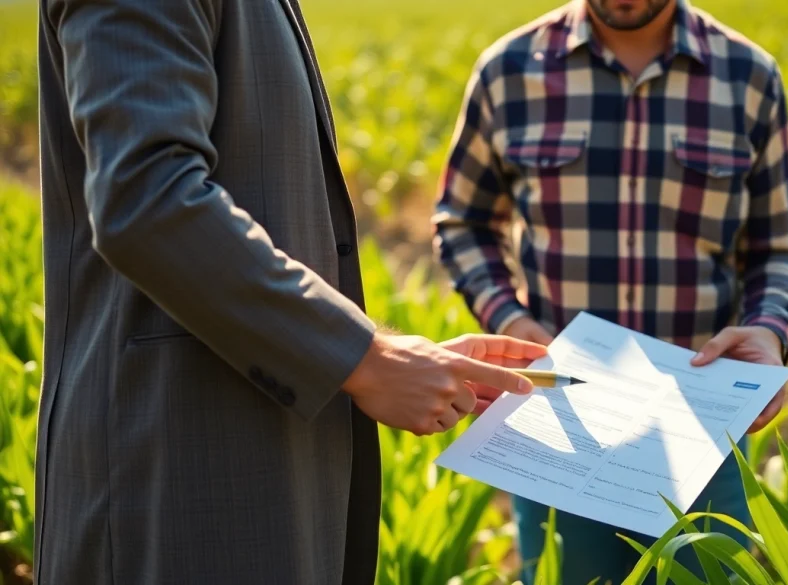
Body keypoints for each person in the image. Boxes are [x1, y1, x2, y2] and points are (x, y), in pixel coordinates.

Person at [33, 1, 548, 584]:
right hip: (173, 473)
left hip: (250, 459)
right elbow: (149, 203)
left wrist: (383, 354)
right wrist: (365, 359)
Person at [433, 0, 788, 582]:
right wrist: (508, 319)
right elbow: (463, 222)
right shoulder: (508, 71)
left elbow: (777, 247)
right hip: (559, 424)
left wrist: (767, 331)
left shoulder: (748, 76)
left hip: (702, 422)